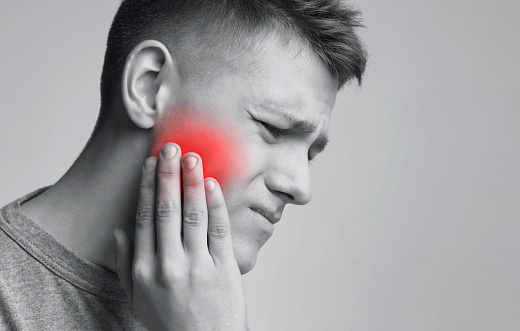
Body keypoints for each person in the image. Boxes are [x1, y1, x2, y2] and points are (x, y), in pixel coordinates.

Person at [0, 0, 367, 330]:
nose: (301, 187)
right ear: (148, 87)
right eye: (274, 128)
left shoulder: (206, 306)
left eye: (310, 154)